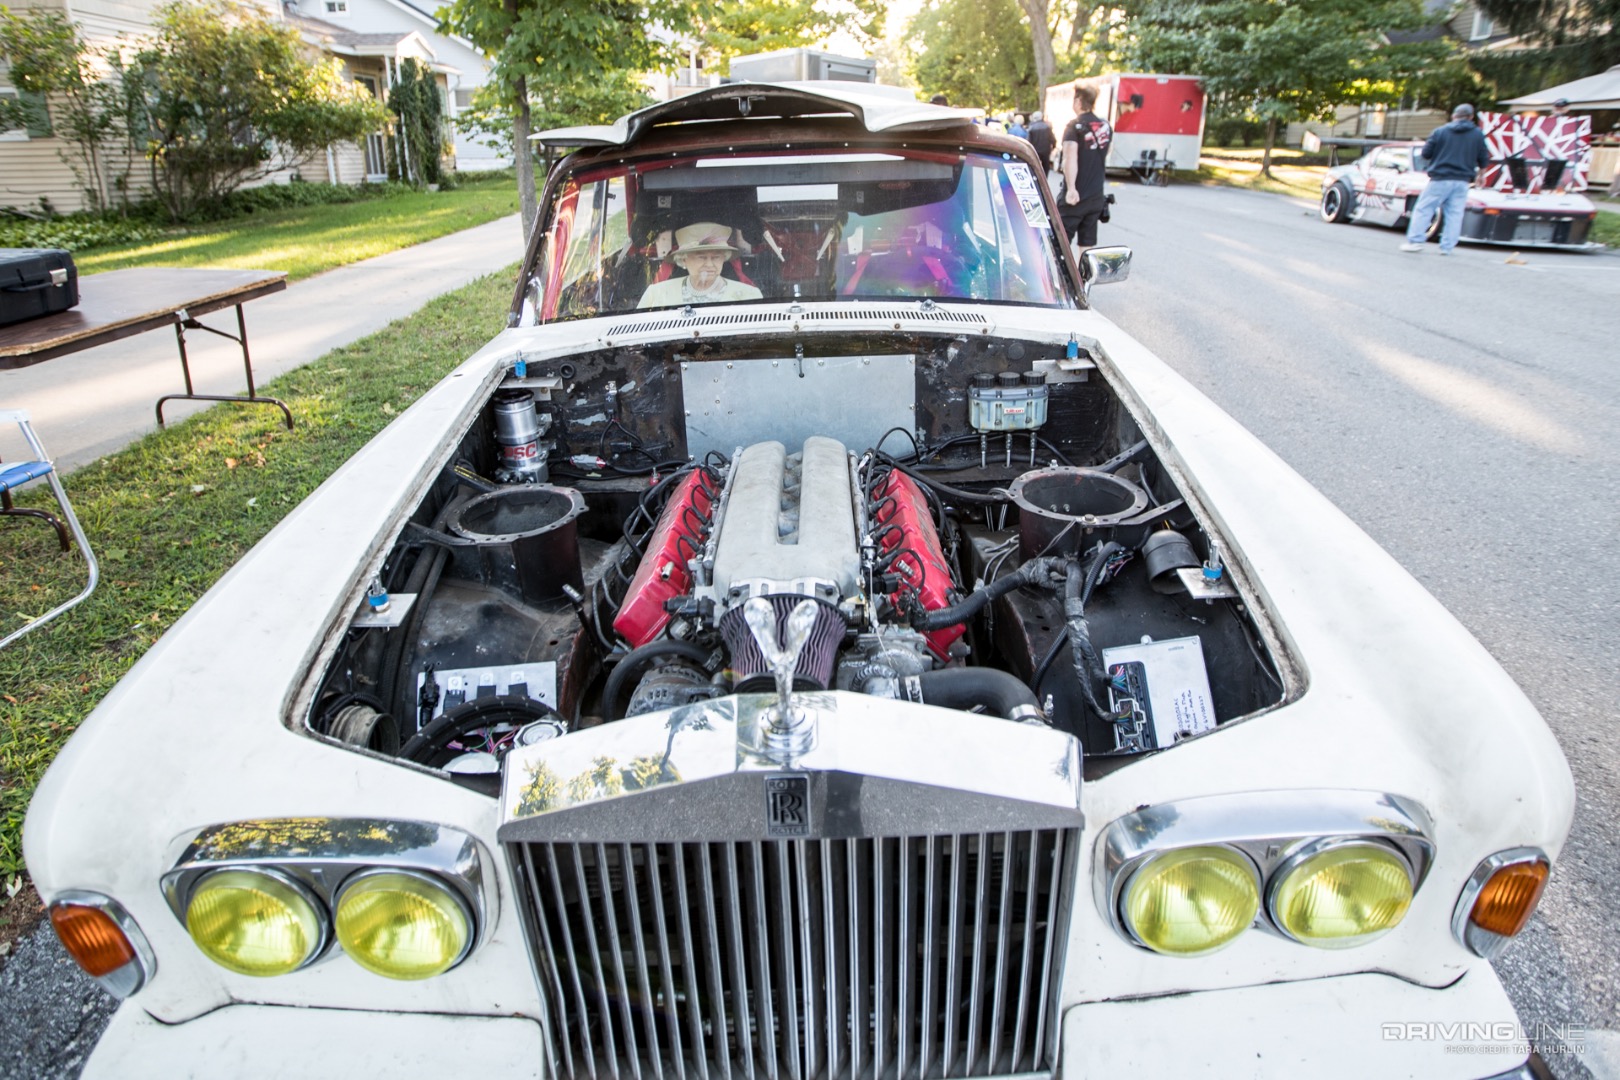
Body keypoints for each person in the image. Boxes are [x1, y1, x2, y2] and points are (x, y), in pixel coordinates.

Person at [1402, 103, 1491, 255]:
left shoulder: (1440, 132)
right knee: (1455, 213)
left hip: (1440, 177)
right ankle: (1447, 247)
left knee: (1424, 209)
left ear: (1453, 116)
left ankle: (1415, 241)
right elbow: (1483, 157)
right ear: (1470, 117)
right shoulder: (1477, 134)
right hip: (1463, 180)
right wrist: (1481, 175)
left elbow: (1426, 153)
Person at [637, 222, 763, 308]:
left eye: (716, 257)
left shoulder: (749, 295)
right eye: (701, 257)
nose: (709, 264)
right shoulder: (656, 294)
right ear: (683, 260)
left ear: (724, 259)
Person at [1060, 85, 1113, 254]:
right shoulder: (1105, 126)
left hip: (1075, 197)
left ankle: (1061, 280)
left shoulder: (1075, 126)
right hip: (1096, 196)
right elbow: (1106, 153)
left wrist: (1071, 189)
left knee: (1061, 244)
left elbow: (1070, 157)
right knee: (1086, 246)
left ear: (1078, 101)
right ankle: (1083, 280)